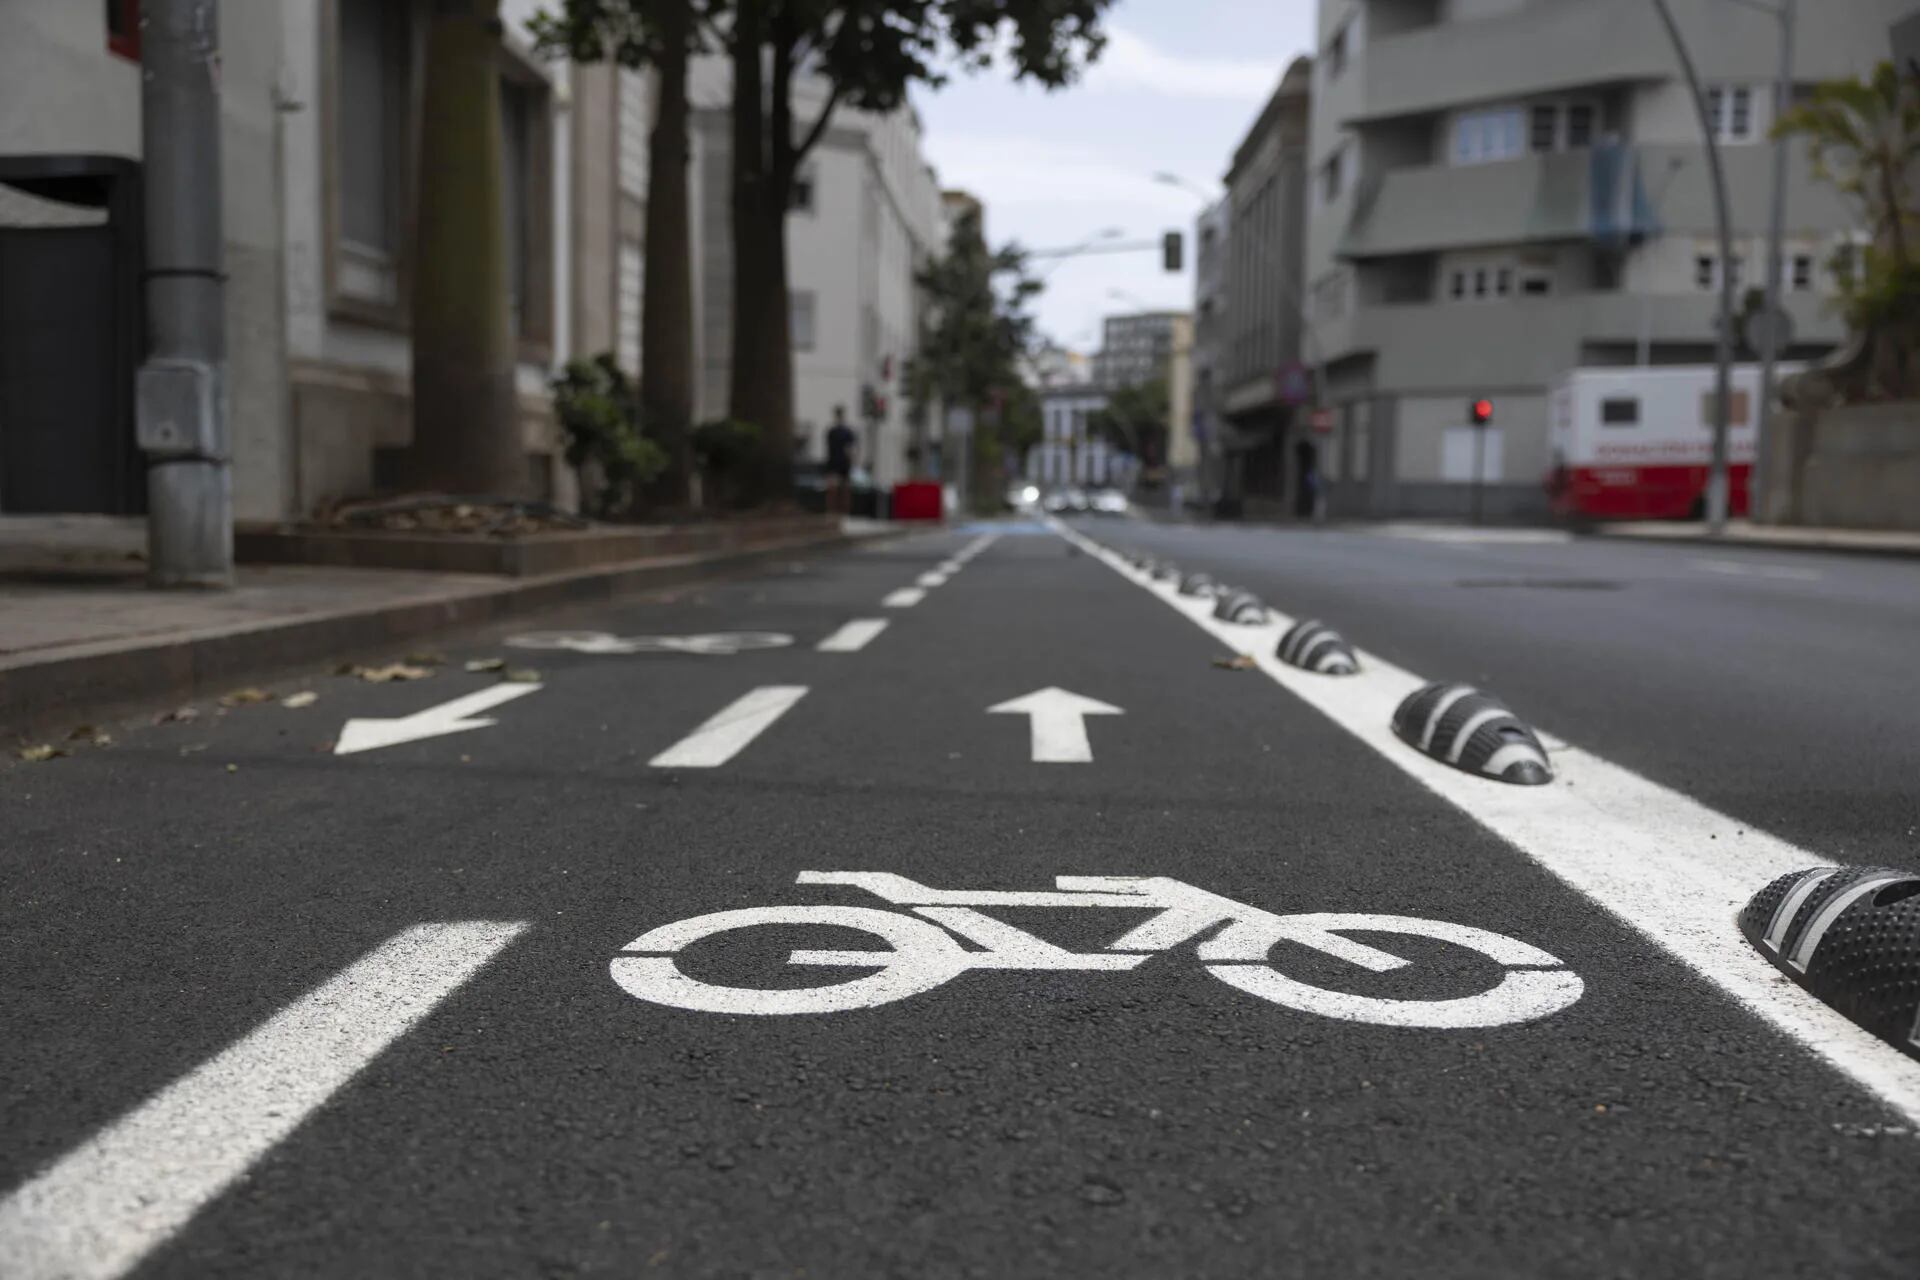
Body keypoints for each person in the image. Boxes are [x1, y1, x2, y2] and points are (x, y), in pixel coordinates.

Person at [824, 406, 857, 515]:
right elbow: (850, 450)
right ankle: (839, 511)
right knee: (840, 489)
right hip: (839, 463)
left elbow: (850, 449)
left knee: (839, 489)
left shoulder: (834, 432)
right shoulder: (841, 432)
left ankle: (837, 511)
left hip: (837, 463)